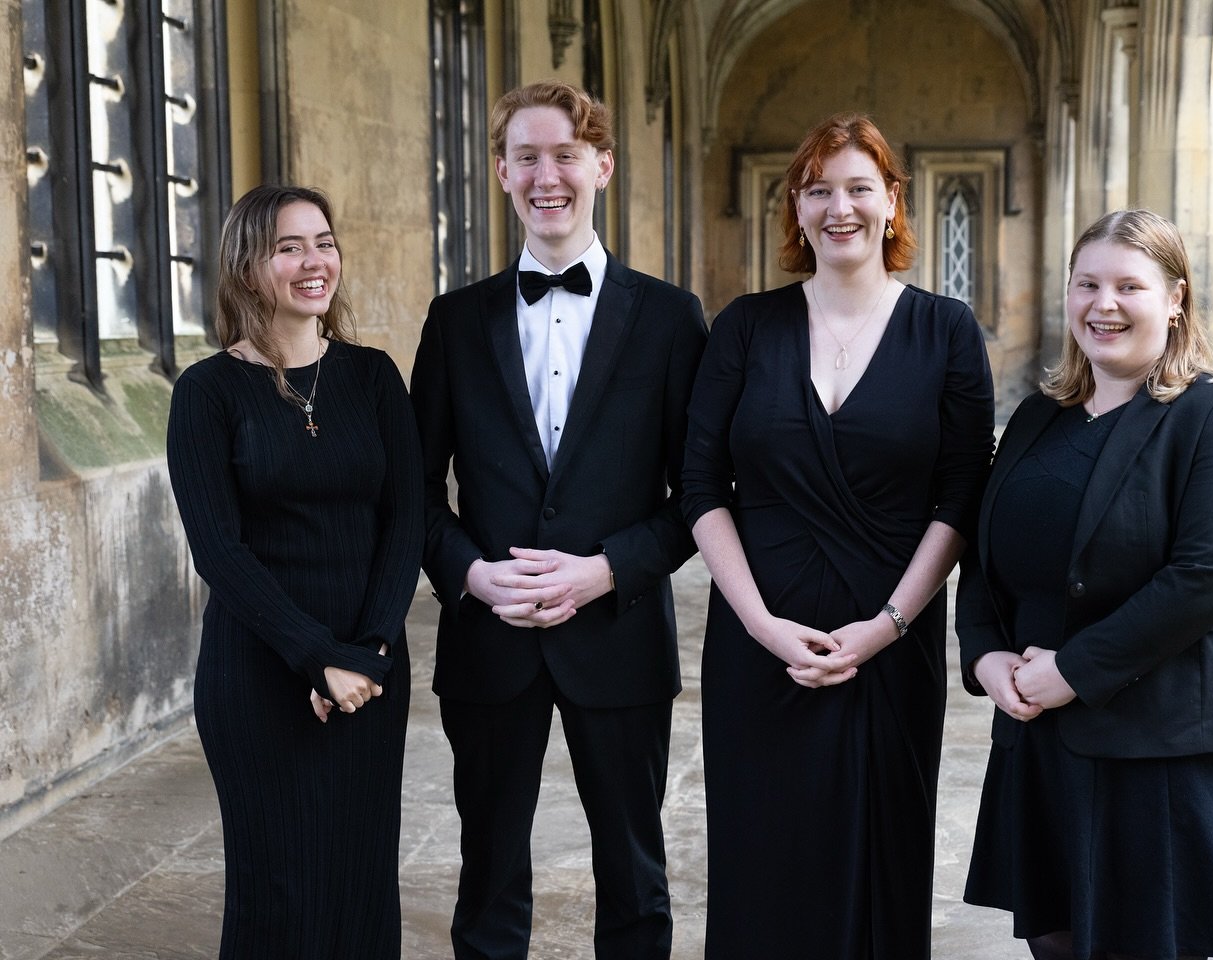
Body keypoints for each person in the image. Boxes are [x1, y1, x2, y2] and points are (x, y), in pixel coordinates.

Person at [681, 113, 996, 958]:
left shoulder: (947, 330)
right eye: (819, 190)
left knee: (879, 854)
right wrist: (758, 624)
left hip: (887, 641)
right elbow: (701, 487)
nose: (839, 207)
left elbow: (962, 495)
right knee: (762, 857)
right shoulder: (745, 326)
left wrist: (888, 625)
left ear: (893, 201)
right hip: (761, 640)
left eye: (860, 187)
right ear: (797, 206)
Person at [410, 79, 707, 960]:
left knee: (634, 876)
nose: (548, 176)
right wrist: (471, 573)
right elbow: (417, 492)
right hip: (488, 644)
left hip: (617, 635)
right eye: (527, 156)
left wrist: (606, 569)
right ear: (500, 171)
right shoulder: (454, 321)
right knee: (487, 873)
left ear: (602, 166)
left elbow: (698, 498)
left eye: (566, 155)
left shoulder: (669, 318)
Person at [958, 209, 1213, 960]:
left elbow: (1212, 575)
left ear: (1175, 298)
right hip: (1042, 738)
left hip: (1163, 745)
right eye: (1087, 284)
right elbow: (985, 554)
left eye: (1128, 286)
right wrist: (984, 656)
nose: (1103, 304)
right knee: (1057, 942)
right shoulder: (1041, 418)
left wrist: (1071, 671)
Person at [166, 184, 423, 957]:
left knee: (359, 880)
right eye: (289, 247)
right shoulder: (207, 392)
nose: (315, 262)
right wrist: (316, 659)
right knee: (276, 890)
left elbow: (405, 522)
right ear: (248, 268)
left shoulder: (374, 377)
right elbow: (218, 550)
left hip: (369, 668)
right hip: (261, 673)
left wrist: (368, 652)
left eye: (323, 242)